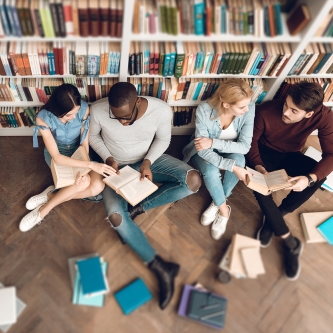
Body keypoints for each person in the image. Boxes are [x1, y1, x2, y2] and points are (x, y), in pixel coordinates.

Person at [89, 82, 202, 309]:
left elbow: (163, 140)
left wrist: (148, 162)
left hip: (149, 159)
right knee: (115, 218)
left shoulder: (160, 110)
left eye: (126, 117)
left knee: (193, 181)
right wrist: (108, 158)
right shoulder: (98, 110)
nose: (121, 122)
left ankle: (138, 208)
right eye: (116, 117)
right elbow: (93, 138)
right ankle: (160, 267)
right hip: (115, 165)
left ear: (137, 102)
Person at [247, 81, 333, 281]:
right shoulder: (266, 111)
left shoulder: (324, 116)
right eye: (286, 104)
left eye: (294, 111)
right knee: (259, 187)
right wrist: (259, 166)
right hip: (262, 155)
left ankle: (275, 217)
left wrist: (309, 178)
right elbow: (250, 144)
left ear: (309, 114)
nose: (286, 112)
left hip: (291, 155)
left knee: (319, 177)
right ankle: (289, 242)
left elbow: (331, 155)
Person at [19, 84, 116, 231]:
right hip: (59, 153)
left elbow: (84, 143)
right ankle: (42, 212)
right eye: (68, 115)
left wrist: (83, 168)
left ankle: (50, 197)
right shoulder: (42, 118)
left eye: (75, 113)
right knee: (84, 184)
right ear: (58, 111)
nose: (73, 118)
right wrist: (89, 167)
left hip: (79, 151)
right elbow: (57, 157)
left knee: (97, 186)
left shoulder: (84, 109)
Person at [183, 79, 255, 240]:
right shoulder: (204, 110)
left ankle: (217, 201)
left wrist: (214, 142)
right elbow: (203, 150)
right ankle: (224, 210)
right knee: (210, 170)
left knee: (240, 161)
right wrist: (232, 167)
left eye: (247, 105)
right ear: (226, 104)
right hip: (203, 152)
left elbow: (244, 147)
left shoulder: (249, 110)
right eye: (242, 107)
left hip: (229, 148)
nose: (247, 109)